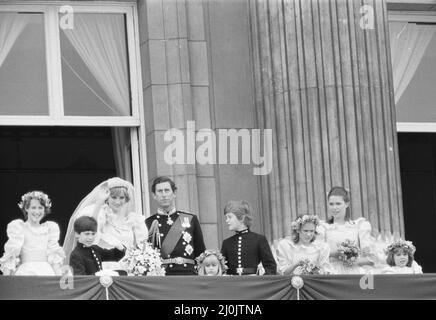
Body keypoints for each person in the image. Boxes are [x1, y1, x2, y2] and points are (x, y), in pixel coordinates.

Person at [63, 177, 148, 266]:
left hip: (129, 269)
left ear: (126, 199)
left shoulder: (134, 220)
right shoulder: (100, 215)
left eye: (121, 197)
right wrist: (99, 203)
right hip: (104, 268)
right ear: (107, 198)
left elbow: (141, 247)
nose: (118, 202)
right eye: (114, 197)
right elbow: (89, 231)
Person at [146, 176, 206, 275]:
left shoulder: (190, 219)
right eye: (160, 191)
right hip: (162, 275)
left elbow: (201, 253)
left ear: (174, 193)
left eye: (167, 190)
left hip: (188, 274)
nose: (164, 195)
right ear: (154, 195)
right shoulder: (148, 223)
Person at [0, 191, 65, 276]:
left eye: (40, 208)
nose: (37, 211)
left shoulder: (50, 229)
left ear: (44, 209)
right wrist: (5, 282)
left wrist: (59, 279)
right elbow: (11, 256)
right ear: (27, 208)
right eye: (33, 207)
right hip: (25, 273)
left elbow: (54, 258)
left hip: (46, 273)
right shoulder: (19, 228)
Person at [317, 186, 377, 274]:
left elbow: (371, 259)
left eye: (338, 204)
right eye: (331, 204)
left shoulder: (359, 226)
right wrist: (335, 254)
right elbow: (316, 255)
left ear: (347, 204)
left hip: (354, 273)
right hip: (332, 273)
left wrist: (353, 260)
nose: (334, 208)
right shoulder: (323, 228)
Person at [221, 200, 277, 275]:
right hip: (233, 284)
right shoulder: (226, 243)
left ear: (241, 218)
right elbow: (222, 268)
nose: (227, 220)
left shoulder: (259, 239)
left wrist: (261, 282)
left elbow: (271, 266)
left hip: (253, 283)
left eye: (230, 217)